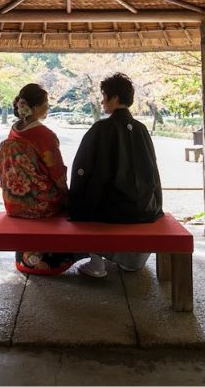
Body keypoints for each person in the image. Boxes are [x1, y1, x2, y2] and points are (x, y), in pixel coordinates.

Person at [69, 73, 163, 278]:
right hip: (144, 208)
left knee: (87, 195)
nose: (102, 101)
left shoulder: (101, 129)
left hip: (110, 210)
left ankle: (96, 263)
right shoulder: (141, 129)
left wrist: (74, 195)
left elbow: (81, 169)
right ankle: (131, 261)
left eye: (105, 96)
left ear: (115, 98)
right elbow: (152, 172)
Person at [0, 83, 74, 276]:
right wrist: (67, 196)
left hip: (15, 203)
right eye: (46, 103)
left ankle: (25, 260)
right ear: (36, 107)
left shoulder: (14, 131)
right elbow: (57, 172)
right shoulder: (44, 135)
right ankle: (53, 262)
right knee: (71, 205)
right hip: (42, 205)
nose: (48, 107)